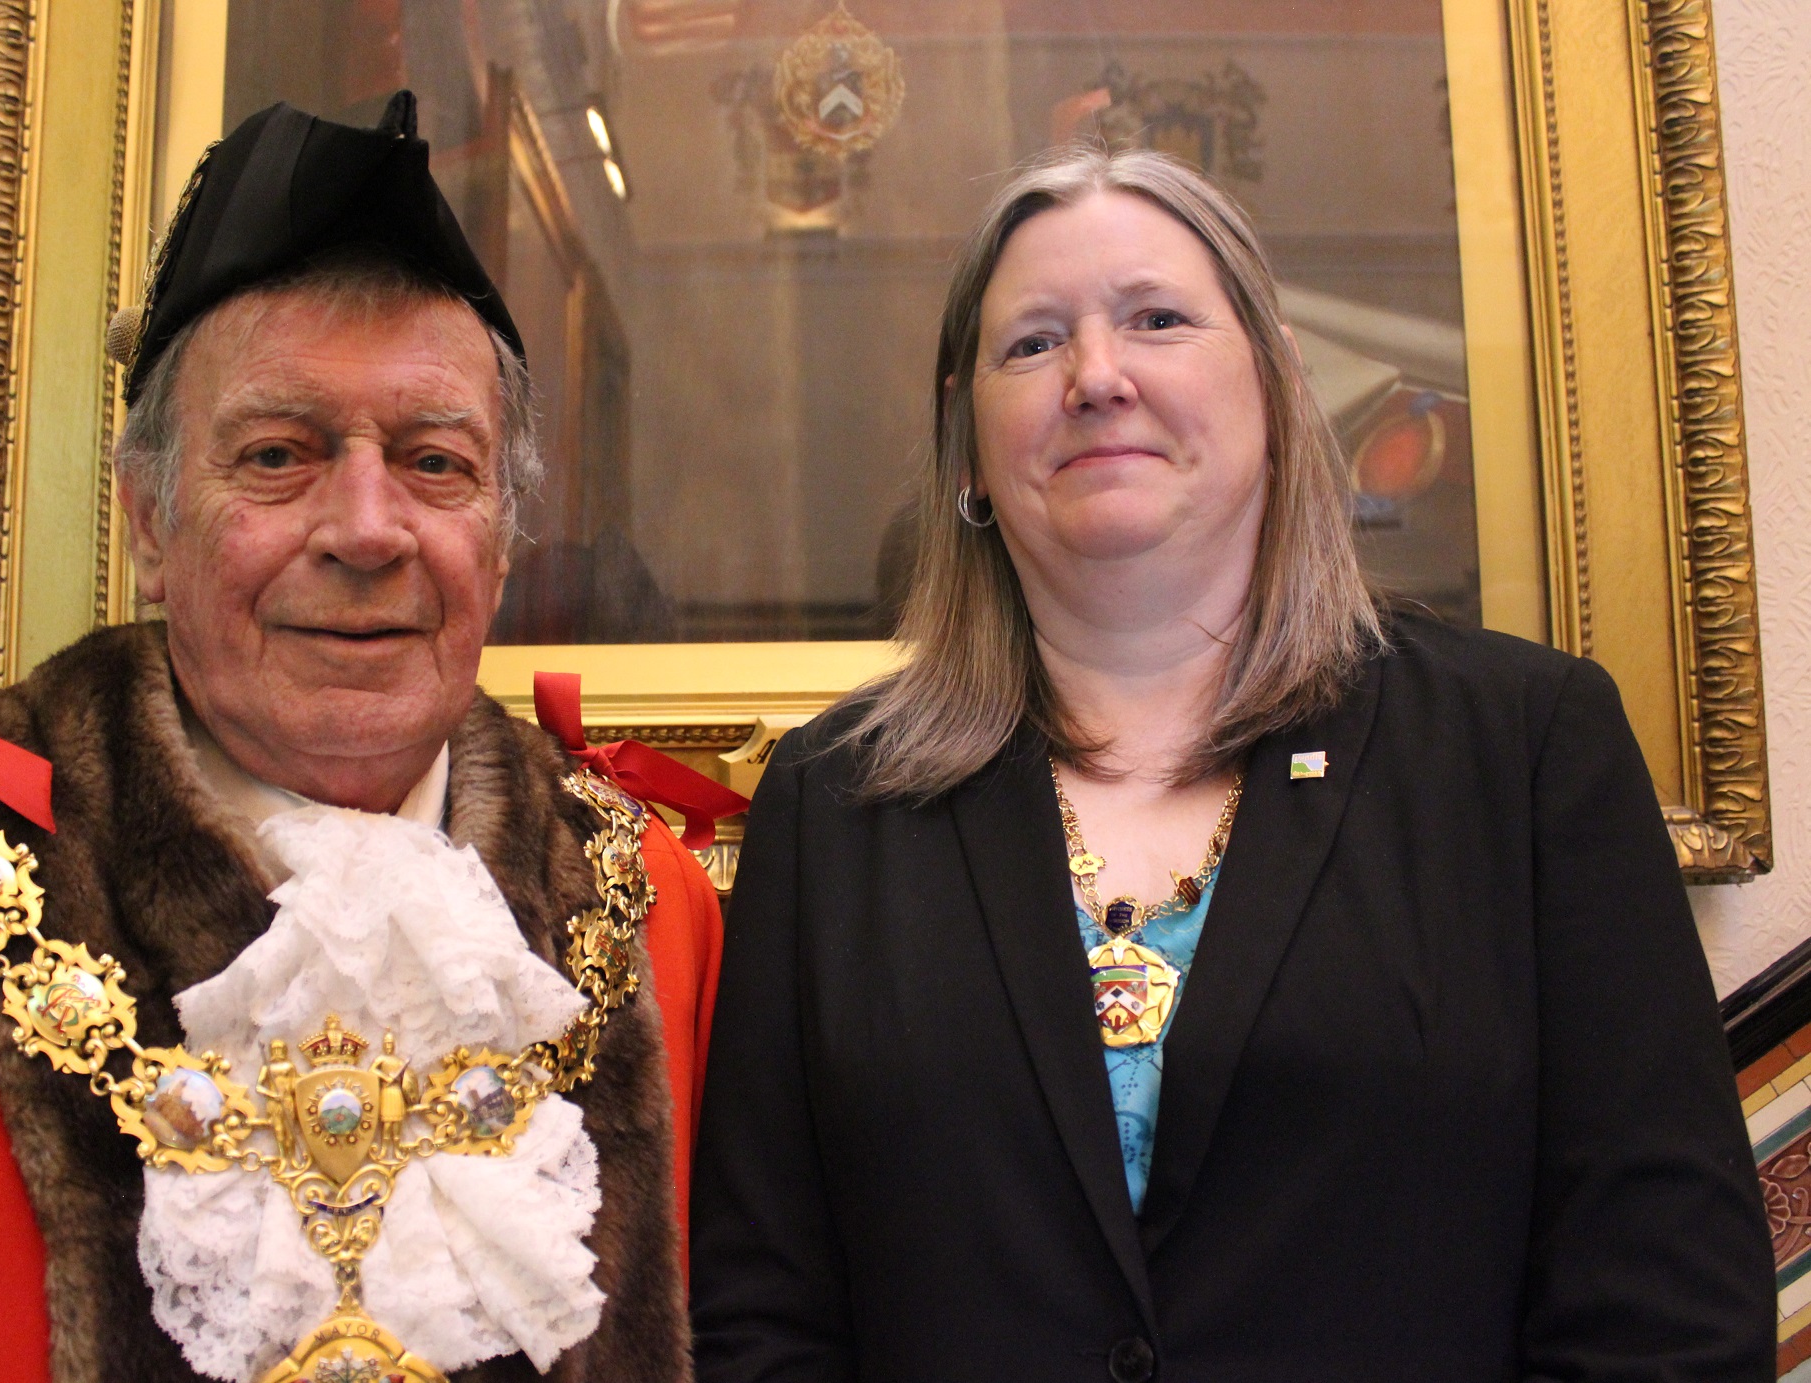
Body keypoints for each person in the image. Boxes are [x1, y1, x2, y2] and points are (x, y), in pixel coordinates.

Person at [690, 145, 1773, 1381]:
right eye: (1032, 344)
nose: (1096, 377)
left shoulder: (1524, 750)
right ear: (965, 439)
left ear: (1274, 381)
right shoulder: (834, 802)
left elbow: (1665, 1306)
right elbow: (760, 1319)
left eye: (1156, 319)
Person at [0, 93, 733, 1383]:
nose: (367, 530)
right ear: (149, 524)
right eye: (277, 456)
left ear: (501, 533)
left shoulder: (649, 912)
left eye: (436, 464)